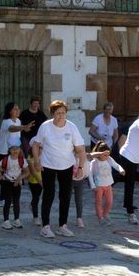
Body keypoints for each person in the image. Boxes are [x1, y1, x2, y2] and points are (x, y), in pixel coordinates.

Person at [30, 100, 86, 238]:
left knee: (65, 195)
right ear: (52, 114)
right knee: (49, 194)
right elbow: (36, 145)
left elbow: (80, 149)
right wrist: (37, 161)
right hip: (48, 165)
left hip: (66, 165)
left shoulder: (72, 127)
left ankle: (62, 225)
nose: (61, 116)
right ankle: (45, 226)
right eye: (58, 113)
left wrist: (80, 167)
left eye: (63, 112)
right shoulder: (45, 126)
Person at [88, 141, 125, 226]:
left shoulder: (109, 159)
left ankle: (104, 214)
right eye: (105, 155)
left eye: (108, 154)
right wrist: (93, 186)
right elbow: (90, 175)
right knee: (99, 202)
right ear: (99, 154)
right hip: (99, 186)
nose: (107, 156)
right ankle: (100, 218)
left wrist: (121, 170)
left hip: (108, 185)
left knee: (109, 202)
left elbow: (116, 165)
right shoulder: (94, 162)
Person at [0, 138, 29, 230]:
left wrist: (20, 178)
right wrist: (0, 175)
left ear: (20, 149)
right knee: (7, 202)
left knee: (16, 202)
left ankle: (16, 219)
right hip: (7, 182)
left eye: (17, 148)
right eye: (13, 149)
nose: (15, 150)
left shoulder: (22, 160)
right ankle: (6, 221)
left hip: (17, 183)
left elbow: (27, 172)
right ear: (9, 150)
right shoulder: (6, 160)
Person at [27, 149, 43, 226]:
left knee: (37, 197)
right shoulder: (30, 158)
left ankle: (32, 205)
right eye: (39, 149)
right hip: (33, 181)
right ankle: (35, 217)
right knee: (36, 197)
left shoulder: (42, 156)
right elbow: (33, 172)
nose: (41, 150)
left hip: (41, 180)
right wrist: (41, 182)